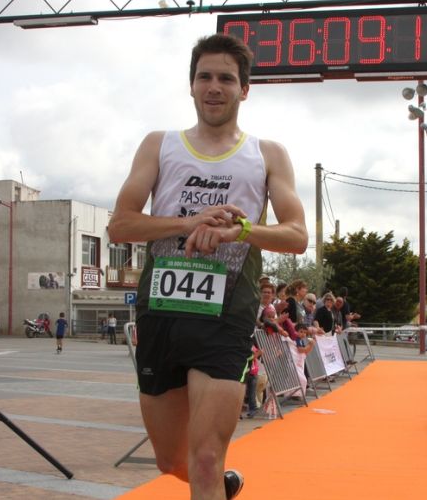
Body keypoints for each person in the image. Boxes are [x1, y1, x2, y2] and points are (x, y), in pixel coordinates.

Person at [107, 33, 307, 499]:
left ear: (244, 89)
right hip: (163, 311)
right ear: (191, 85)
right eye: (205, 77)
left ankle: (212, 478)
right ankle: (220, 485)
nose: (214, 87)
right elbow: (120, 226)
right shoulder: (160, 145)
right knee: (171, 460)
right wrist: (190, 221)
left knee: (205, 458)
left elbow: (297, 235)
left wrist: (239, 232)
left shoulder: (267, 154)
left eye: (226, 79)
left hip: (226, 316)